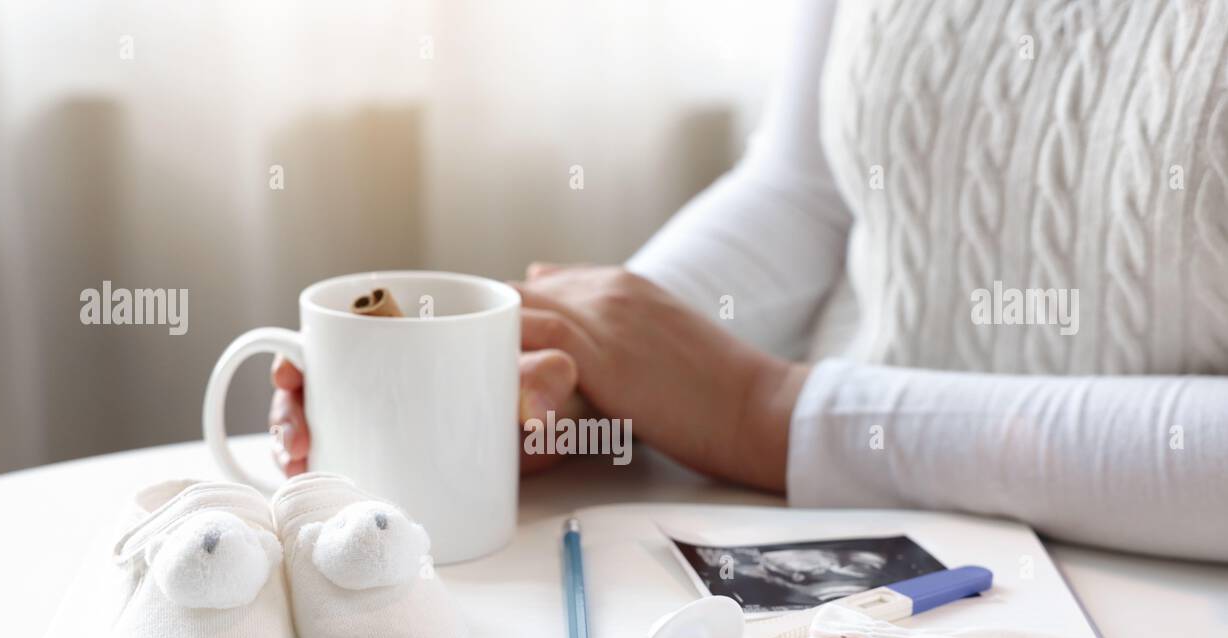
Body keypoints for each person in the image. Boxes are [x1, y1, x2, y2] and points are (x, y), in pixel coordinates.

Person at [271, 0, 1228, 562]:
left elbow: (756, 400)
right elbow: (807, 191)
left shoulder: (771, 416)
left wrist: (764, 411)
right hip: (852, 540)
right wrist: (586, 377)